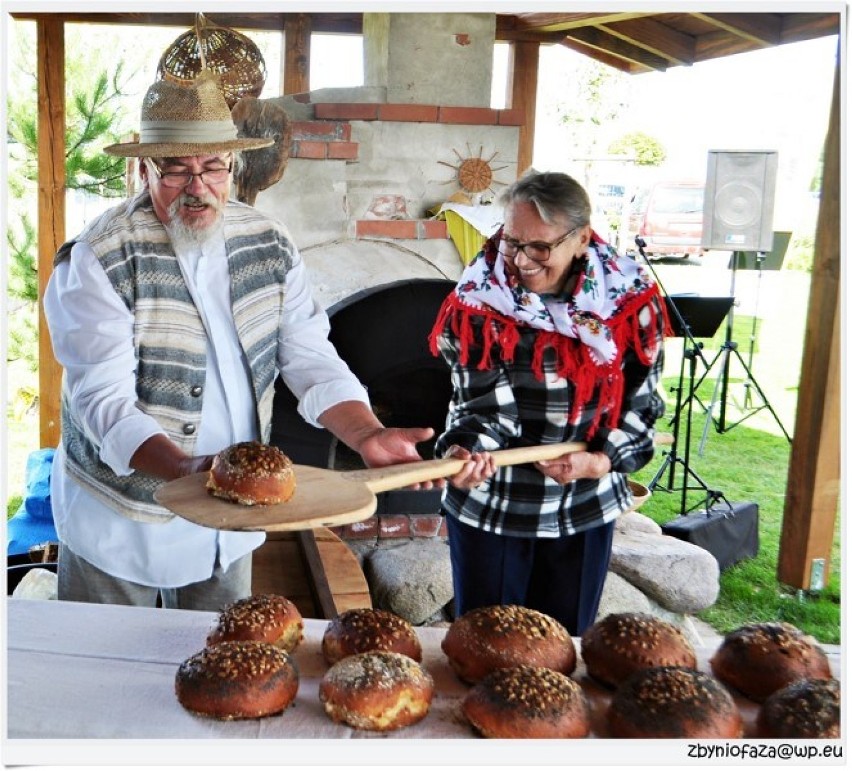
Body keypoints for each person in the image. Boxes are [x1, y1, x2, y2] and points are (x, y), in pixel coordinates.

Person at [43, 71, 434, 611]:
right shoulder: (98, 258)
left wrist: (367, 433)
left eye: (212, 167)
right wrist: (184, 469)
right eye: (175, 169)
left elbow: (310, 355)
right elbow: (102, 402)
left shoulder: (268, 242)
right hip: (119, 520)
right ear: (141, 169)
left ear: (233, 167)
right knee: (106, 671)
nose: (197, 186)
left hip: (229, 520)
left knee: (225, 666)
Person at [429, 170, 668, 635]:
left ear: (581, 239)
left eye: (539, 247)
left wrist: (602, 460)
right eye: (510, 241)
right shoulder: (479, 301)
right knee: (485, 645)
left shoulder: (630, 302)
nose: (520, 260)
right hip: (495, 502)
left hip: (586, 504)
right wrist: (466, 452)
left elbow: (642, 406)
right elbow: (484, 408)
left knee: (564, 648)